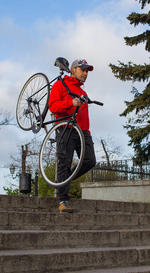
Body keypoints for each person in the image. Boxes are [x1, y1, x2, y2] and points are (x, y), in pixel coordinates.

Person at [48, 59, 97, 213]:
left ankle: (63, 179)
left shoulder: (83, 92)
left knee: (90, 160)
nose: (85, 73)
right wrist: (70, 103)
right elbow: (53, 106)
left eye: (87, 71)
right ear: (73, 70)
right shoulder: (60, 85)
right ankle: (63, 201)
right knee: (65, 162)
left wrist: (87, 131)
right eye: (83, 70)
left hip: (82, 131)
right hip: (65, 128)